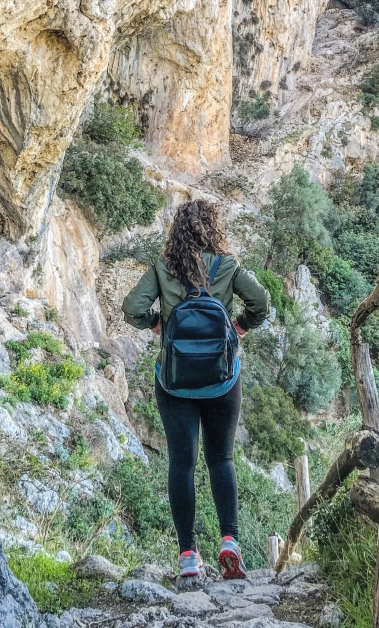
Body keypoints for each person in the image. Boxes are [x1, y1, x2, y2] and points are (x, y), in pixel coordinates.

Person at [122, 200, 270, 580]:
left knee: (181, 464)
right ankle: (230, 542)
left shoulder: (163, 267)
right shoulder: (227, 265)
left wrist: (158, 324)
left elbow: (131, 307)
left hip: (174, 383)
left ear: (177, 231)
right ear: (213, 228)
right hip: (222, 380)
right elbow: (262, 301)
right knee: (221, 459)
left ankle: (188, 555)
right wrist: (241, 324)